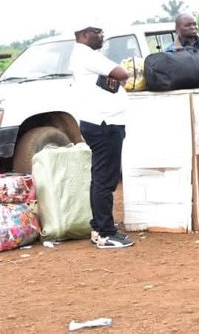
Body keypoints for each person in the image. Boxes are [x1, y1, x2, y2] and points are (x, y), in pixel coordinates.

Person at [69, 22, 134, 249]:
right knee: (105, 180)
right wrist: (117, 77)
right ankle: (106, 234)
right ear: (84, 34)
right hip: (104, 123)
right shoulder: (87, 56)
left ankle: (98, 228)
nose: (102, 36)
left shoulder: (82, 55)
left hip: (98, 122)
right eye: (98, 32)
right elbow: (122, 73)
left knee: (100, 178)